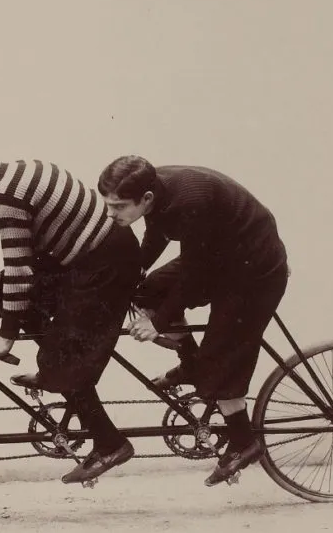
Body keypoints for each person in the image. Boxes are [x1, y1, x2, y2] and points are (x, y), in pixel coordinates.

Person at [0, 152, 142, 485]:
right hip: (92, 257)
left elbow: (19, 269)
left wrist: (6, 337)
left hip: (105, 264)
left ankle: (109, 443)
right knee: (14, 301)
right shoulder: (12, 173)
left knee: (63, 355)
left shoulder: (6, 199)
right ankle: (54, 372)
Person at [97, 156, 290, 487]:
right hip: (221, 258)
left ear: (145, 199)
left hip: (254, 269)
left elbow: (192, 275)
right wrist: (135, 272)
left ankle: (244, 442)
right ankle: (191, 364)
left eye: (118, 206)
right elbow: (158, 232)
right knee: (148, 292)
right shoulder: (157, 192)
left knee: (222, 355)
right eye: (108, 205)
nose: (111, 214)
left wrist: (158, 323)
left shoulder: (190, 201)